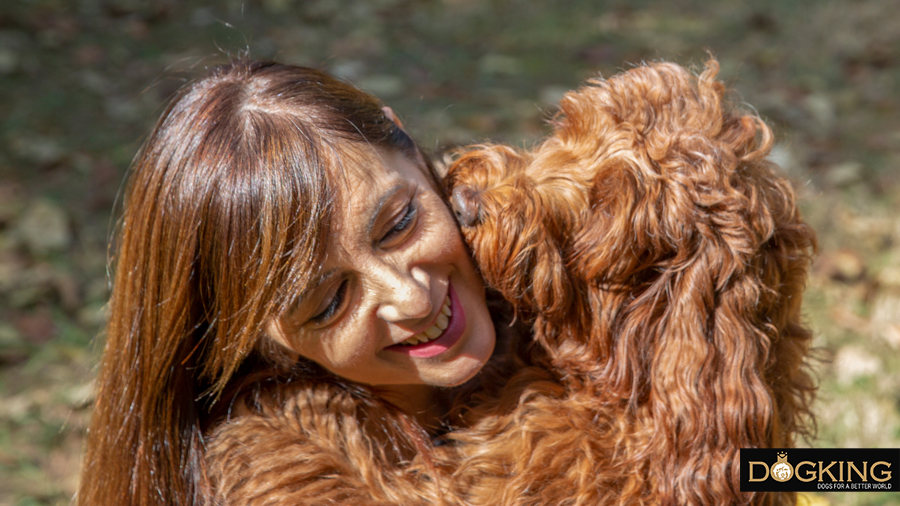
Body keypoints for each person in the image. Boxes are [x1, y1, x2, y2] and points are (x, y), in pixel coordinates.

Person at [77, 60, 510, 506]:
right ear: (261, 343)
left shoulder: (560, 269)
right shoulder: (293, 487)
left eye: (398, 224)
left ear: (409, 146)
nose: (412, 299)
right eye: (329, 303)